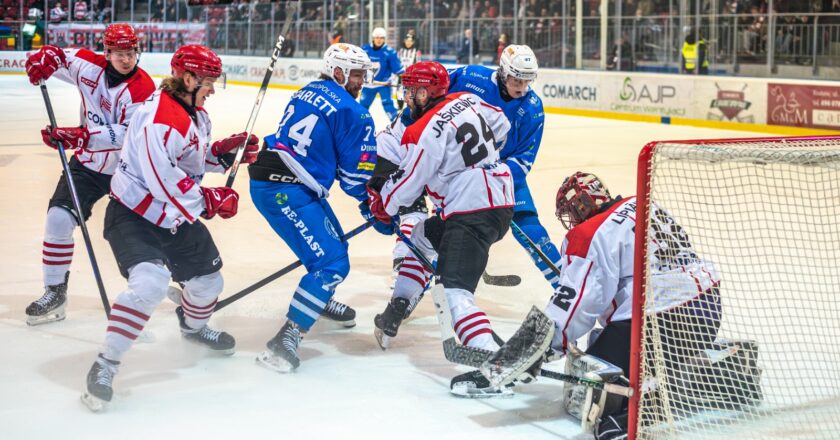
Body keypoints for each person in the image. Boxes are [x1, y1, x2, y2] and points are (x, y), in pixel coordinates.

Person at [80, 44, 260, 411]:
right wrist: (208, 201)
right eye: (209, 81)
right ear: (189, 78)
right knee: (149, 283)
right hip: (134, 215)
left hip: (172, 217)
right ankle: (105, 365)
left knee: (210, 283)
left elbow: (189, 159)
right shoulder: (159, 117)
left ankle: (192, 328)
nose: (213, 88)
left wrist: (223, 153)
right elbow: (162, 179)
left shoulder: (194, 114)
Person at [487, 172, 723, 438]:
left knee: (593, 378)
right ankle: (712, 373)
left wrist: (531, 350)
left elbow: (574, 307)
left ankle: (627, 418)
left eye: (572, 212)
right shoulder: (643, 203)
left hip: (660, 323)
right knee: (605, 337)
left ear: (582, 205)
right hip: (708, 308)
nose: (573, 219)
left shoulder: (590, 233)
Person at [250, 43, 388, 373]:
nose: (362, 81)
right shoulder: (354, 113)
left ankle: (318, 299)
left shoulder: (307, 90)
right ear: (338, 72)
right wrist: (373, 205)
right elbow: (354, 178)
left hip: (273, 177)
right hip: (285, 188)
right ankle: (287, 338)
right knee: (332, 263)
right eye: (356, 74)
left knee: (334, 247)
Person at [366, 62, 514, 361]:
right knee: (422, 236)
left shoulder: (422, 130)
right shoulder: (467, 99)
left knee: (454, 293)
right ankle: (400, 303)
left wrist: (384, 205)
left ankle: (493, 358)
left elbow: (410, 183)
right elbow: (501, 125)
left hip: (471, 208)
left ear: (425, 92)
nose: (407, 97)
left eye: (411, 91)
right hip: (498, 197)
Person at [23, 24, 156, 326]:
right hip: (89, 165)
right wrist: (42, 59)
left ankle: (183, 279)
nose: (126, 59)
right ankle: (55, 292)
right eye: (119, 53)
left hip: (129, 170)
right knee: (58, 218)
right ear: (106, 52)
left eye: (131, 53)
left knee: (152, 229)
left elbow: (128, 134)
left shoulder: (142, 88)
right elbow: (56, 57)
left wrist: (83, 136)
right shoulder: (87, 63)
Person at [448, 45, 564, 294]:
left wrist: (489, 178)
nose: (521, 86)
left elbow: (523, 160)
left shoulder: (532, 108)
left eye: (527, 80)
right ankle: (412, 282)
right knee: (446, 227)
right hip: (459, 169)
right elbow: (437, 85)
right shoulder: (472, 77)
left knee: (527, 225)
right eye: (516, 78)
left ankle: (565, 286)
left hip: (504, 173)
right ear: (502, 71)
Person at [360, 27, 403, 120]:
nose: (379, 40)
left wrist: (403, 78)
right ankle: (360, 123)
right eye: (377, 37)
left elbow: (398, 69)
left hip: (384, 84)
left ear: (384, 39)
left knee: (389, 106)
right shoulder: (365, 49)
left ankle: (396, 124)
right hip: (369, 85)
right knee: (362, 108)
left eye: (381, 38)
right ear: (373, 38)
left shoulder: (390, 52)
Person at [395, 32, 421, 111]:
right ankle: (400, 108)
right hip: (401, 76)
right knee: (399, 92)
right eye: (407, 40)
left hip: (412, 77)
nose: (408, 42)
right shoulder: (400, 51)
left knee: (412, 93)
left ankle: (411, 108)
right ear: (404, 41)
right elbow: (397, 62)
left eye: (410, 41)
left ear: (413, 42)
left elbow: (418, 64)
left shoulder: (417, 52)